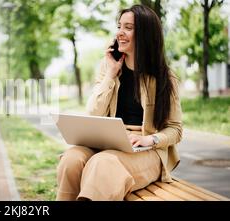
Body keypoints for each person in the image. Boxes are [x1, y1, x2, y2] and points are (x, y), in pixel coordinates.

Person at [56, 4, 182, 201]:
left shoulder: (165, 78)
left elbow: (175, 129)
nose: (119, 33)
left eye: (128, 28)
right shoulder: (109, 68)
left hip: (147, 149)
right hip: (108, 141)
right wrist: (111, 74)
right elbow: (94, 112)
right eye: (119, 26)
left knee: (102, 163)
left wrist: (150, 139)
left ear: (145, 35)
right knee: (72, 159)